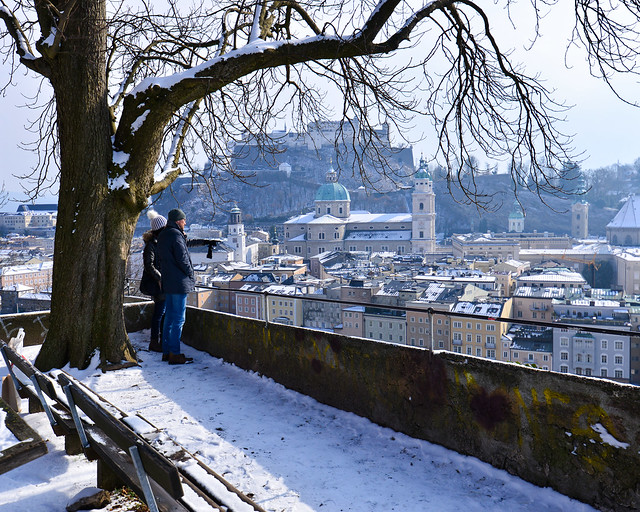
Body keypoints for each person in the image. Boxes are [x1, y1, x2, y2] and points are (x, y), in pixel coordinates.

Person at [156, 208, 195, 365]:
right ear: (178, 221)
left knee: (169, 317)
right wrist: (191, 273)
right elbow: (182, 258)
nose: (185, 222)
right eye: (184, 220)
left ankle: (166, 351)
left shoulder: (164, 235)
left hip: (168, 281)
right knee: (179, 318)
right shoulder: (176, 235)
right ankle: (175, 353)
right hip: (179, 282)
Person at [139, 211, 167, 352]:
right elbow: (149, 265)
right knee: (159, 314)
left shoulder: (158, 243)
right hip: (158, 285)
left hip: (161, 284)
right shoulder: (151, 245)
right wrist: (160, 278)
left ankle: (159, 341)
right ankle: (155, 342)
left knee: (162, 313)